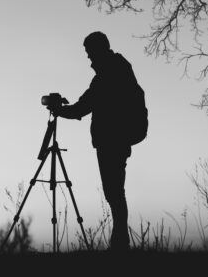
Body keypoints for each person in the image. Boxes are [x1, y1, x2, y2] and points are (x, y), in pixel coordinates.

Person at [56, 31, 143, 251]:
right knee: (114, 191)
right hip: (115, 139)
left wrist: (60, 111)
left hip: (112, 139)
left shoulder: (109, 73)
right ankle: (120, 243)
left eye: (89, 52)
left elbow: (84, 106)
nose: (88, 57)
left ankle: (120, 244)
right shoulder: (116, 69)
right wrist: (66, 110)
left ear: (98, 49)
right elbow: (85, 104)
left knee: (114, 191)